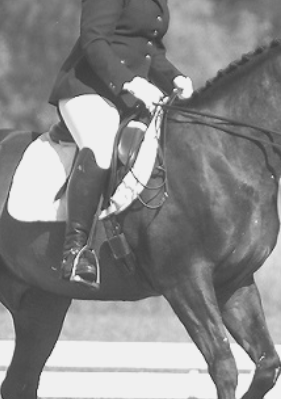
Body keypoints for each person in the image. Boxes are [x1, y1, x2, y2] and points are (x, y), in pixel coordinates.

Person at [48, 0, 194, 287]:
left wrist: (174, 77)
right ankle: (75, 252)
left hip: (128, 97)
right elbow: (94, 40)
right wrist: (130, 81)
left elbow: (150, 51)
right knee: (101, 146)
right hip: (88, 88)